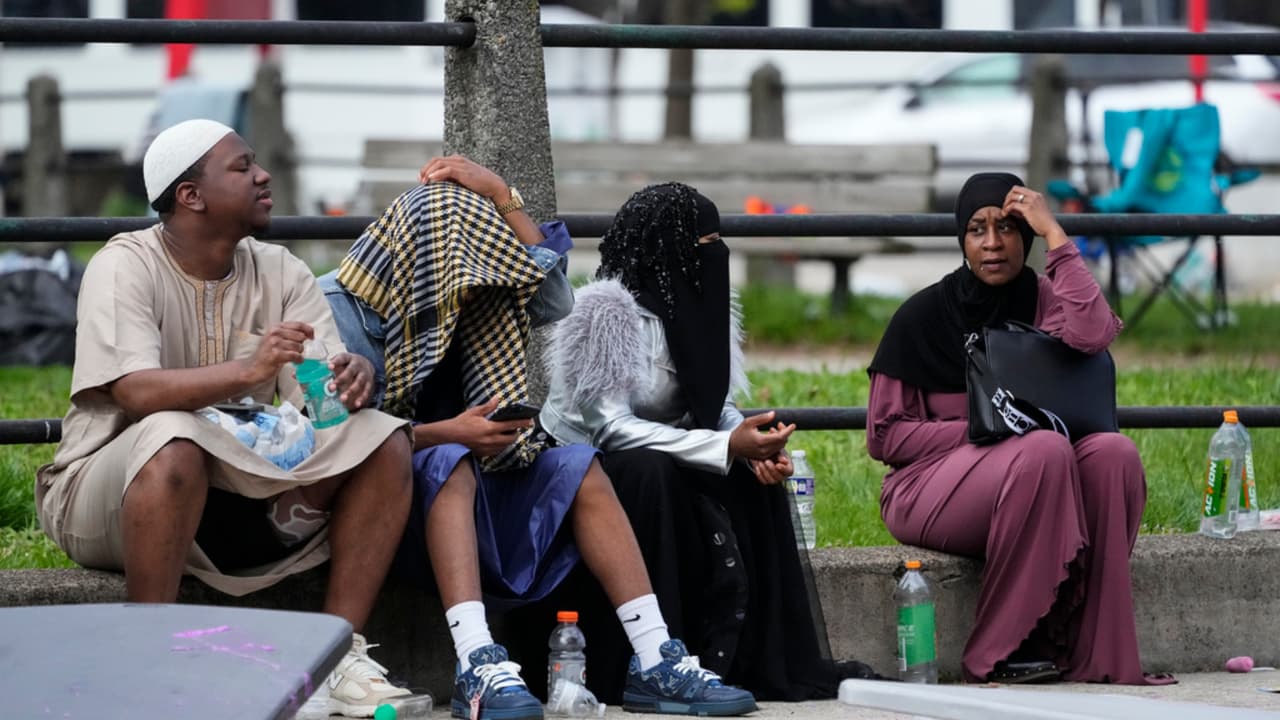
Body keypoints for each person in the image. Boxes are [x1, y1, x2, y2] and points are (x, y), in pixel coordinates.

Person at [323, 159, 759, 719]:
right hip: (393, 501)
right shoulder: (335, 306)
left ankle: (656, 657)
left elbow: (554, 299)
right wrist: (446, 433)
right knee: (451, 459)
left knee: (578, 464)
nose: (481, 273)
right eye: (468, 256)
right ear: (425, 251)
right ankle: (477, 663)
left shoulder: (473, 296)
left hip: (482, 481)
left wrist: (505, 198)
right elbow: (329, 437)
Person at [34, 119, 421, 717]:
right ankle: (144, 663)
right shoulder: (123, 265)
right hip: (107, 493)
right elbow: (135, 392)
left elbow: (317, 405)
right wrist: (246, 372)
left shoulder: (282, 271)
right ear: (190, 196)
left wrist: (349, 387)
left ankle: (335, 656)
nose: (263, 175)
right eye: (242, 168)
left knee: (383, 440)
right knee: (172, 436)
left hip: (236, 496)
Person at [538, 182, 881, 703]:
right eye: (703, 243)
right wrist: (723, 448)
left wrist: (752, 442)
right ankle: (649, 660)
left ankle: (745, 658)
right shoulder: (603, 313)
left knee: (746, 475)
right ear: (665, 250)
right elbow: (609, 429)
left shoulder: (699, 310)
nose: (714, 255)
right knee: (650, 470)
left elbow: (710, 400)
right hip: (586, 473)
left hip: (661, 454)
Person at [865, 172, 1176, 685]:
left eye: (1009, 228)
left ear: (1025, 238)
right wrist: (988, 429)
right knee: (1042, 449)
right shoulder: (923, 316)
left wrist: (1057, 235)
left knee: (1113, 454)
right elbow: (886, 439)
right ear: (961, 241)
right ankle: (998, 652)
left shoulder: (1046, 300)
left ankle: (1093, 654)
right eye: (977, 230)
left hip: (1036, 475)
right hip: (927, 485)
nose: (993, 243)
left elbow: (1094, 333)